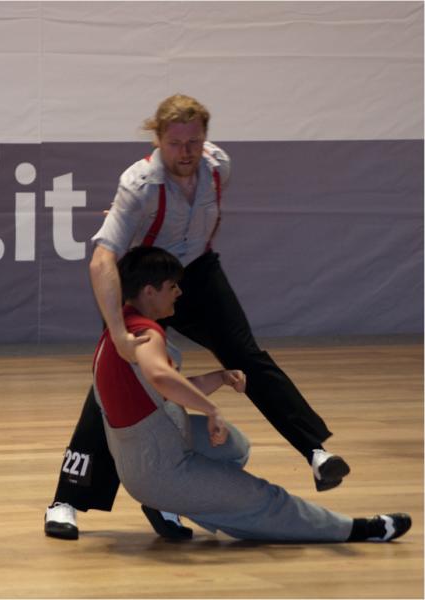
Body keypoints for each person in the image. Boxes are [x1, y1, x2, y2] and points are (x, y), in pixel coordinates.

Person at [45, 94, 351, 541]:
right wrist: (119, 333)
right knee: (111, 386)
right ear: (158, 140)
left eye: (194, 141)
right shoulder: (139, 184)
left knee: (246, 356)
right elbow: (101, 261)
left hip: (197, 272)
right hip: (149, 282)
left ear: (205, 138)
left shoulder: (218, 166)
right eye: (175, 143)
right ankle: (66, 500)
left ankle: (315, 453)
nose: (185, 152)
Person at [92, 246, 411, 543]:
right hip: (159, 467)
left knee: (233, 445)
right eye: (172, 286)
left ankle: (181, 500)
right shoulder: (146, 334)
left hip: (142, 453)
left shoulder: (119, 331)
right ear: (149, 291)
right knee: (263, 499)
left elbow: (162, 387)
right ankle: (359, 530)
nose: (180, 293)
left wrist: (219, 377)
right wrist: (211, 410)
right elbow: (160, 377)